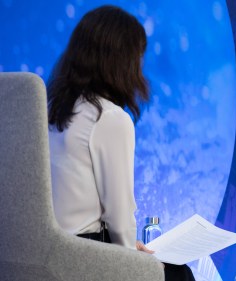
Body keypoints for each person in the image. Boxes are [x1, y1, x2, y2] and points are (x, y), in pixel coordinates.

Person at [47, 5, 195, 281]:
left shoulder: (48, 110)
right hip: (86, 258)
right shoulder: (109, 118)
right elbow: (119, 217)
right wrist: (134, 259)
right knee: (180, 273)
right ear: (121, 61)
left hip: (48, 257)